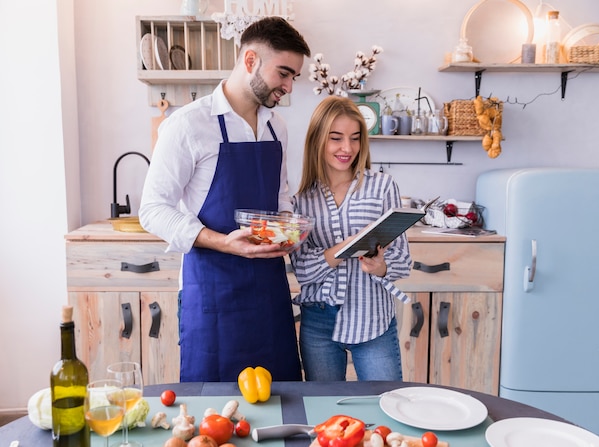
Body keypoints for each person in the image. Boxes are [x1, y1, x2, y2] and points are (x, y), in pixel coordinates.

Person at [139, 17, 310, 382]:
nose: (289, 86)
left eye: (294, 76)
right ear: (250, 61)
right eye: (284, 73)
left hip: (268, 290)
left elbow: (281, 195)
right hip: (212, 293)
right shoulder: (187, 125)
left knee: (280, 401)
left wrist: (287, 227)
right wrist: (223, 243)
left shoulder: (275, 126)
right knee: (212, 413)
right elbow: (152, 209)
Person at [289, 96, 413, 381]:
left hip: (372, 317)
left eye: (355, 138)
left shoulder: (382, 187)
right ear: (317, 140)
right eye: (336, 138)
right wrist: (350, 245)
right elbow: (304, 271)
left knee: (385, 404)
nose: (347, 148)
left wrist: (380, 266)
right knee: (325, 413)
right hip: (318, 323)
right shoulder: (301, 200)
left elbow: (403, 261)